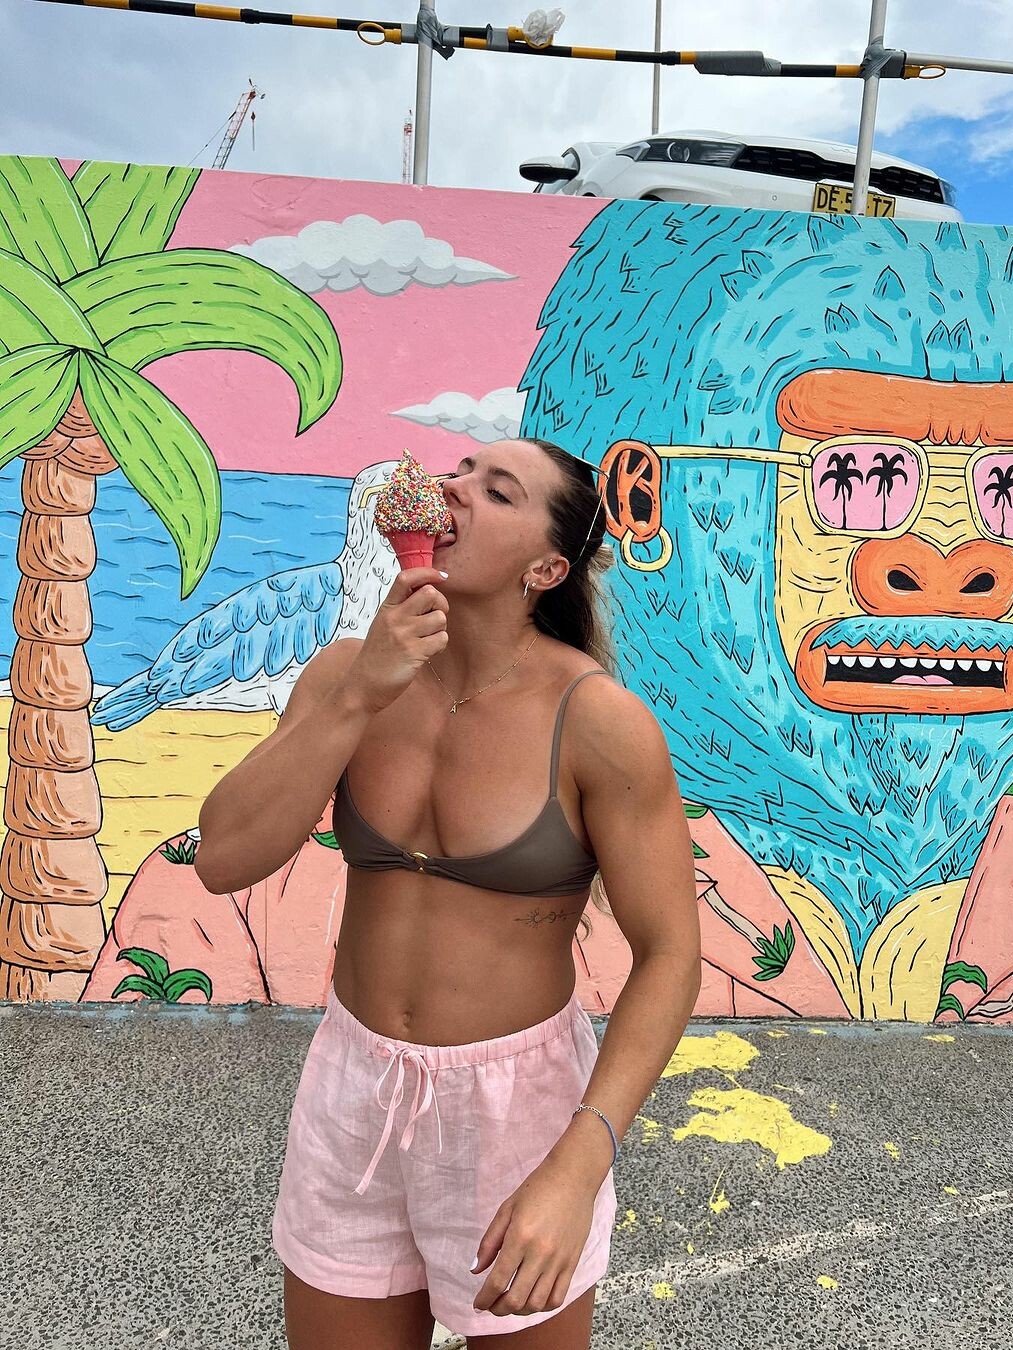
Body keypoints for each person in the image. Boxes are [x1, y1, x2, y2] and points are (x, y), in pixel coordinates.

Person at [194, 437, 702, 1349]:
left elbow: (670, 956)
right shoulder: (344, 675)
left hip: (519, 1110)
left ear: (546, 569)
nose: (453, 490)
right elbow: (223, 857)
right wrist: (358, 696)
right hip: (353, 1088)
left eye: (497, 491)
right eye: (460, 472)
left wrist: (579, 1164)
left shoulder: (600, 723)